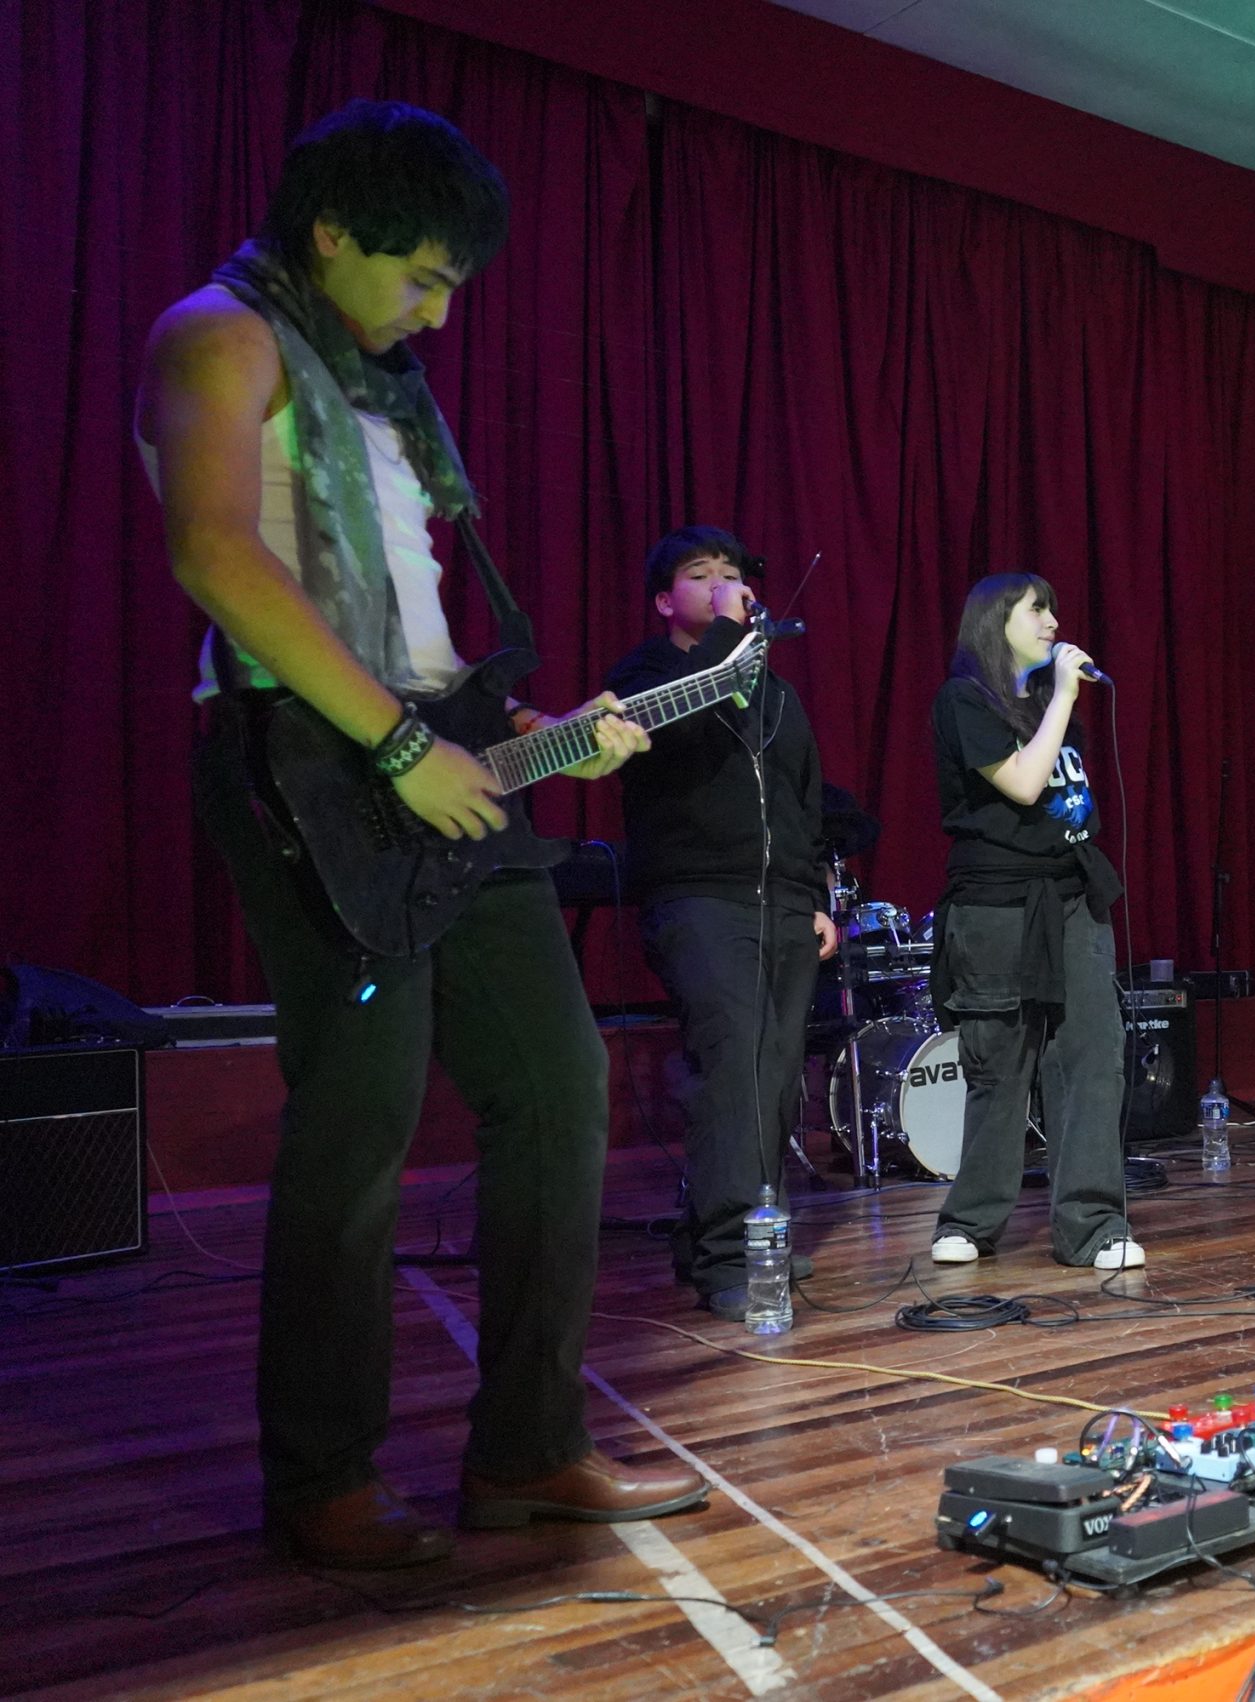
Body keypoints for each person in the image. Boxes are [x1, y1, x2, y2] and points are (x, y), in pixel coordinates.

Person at [137, 100, 703, 1569]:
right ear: (334, 231)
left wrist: (514, 728)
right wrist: (397, 744)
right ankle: (320, 1473)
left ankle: (528, 1448)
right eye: (424, 277)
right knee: (362, 1111)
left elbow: (415, 618)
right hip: (308, 760)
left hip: (433, 747)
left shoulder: (379, 390)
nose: (439, 314)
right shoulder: (218, 333)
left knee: (561, 1086)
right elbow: (214, 549)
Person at [606, 526, 839, 1319]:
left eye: (731, 573)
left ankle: (735, 1237)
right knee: (735, 1065)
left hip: (783, 903)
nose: (720, 585)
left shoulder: (777, 694)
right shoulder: (646, 675)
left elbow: (805, 799)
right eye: (700, 575)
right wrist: (728, 643)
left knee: (773, 1077)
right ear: (664, 600)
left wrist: (816, 895)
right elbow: (670, 727)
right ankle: (729, 1258)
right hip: (700, 897)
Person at [924, 573, 1144, 1267]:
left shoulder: (1053, 706)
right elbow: (1021, 783)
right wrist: (1066, 698)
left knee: (1092, 1059)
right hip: (997, 904)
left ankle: (1093, 1225)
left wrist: (1060, 701)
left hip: (1071, 897)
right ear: (996, 621)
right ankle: (970, 1220)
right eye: (1036, 609)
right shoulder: (964, 700)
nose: (1053, 621)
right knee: (1000, 1065)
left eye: (1053, 608)